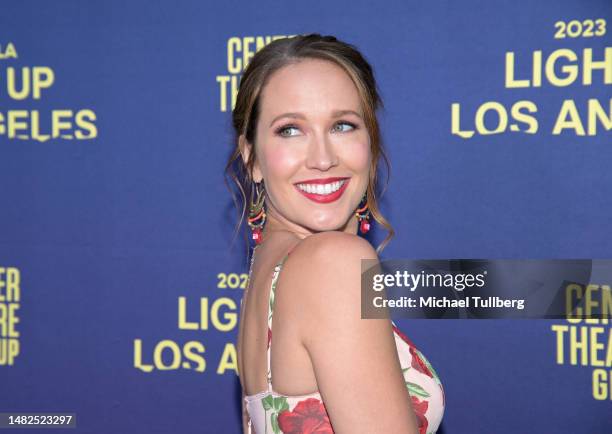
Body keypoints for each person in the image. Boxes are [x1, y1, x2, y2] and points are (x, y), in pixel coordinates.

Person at [227, 33, 445, 434]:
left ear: (371, 142)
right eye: (290, 130)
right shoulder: (333, 261)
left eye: (343, 125)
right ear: (251, 157)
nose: (324, 159)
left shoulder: (271, 264)